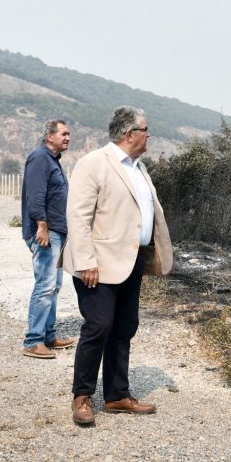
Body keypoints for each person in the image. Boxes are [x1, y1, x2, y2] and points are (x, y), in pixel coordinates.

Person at [63, 106, 174, 426]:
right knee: (98, 327)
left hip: (132, 261)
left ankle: (116, 395)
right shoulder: (94, 163)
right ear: (130, 133)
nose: (149, 135)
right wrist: (85, 262)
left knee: (124, 327)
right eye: (145, 130)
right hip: (97, 263)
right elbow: (78, 216)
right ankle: (82, 397)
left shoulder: (138, 167)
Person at [20, 119, 76, 359]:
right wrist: (41, 226)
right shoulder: (40, 158)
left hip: (57, 232)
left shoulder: (52, 160)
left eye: (68, 134)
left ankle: (49, 335)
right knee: (45, 285)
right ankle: (34, 340)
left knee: (53, 286)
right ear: (49, 136)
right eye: (63, 134)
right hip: (46, 231)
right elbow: (36, 195)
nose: (67, 138)